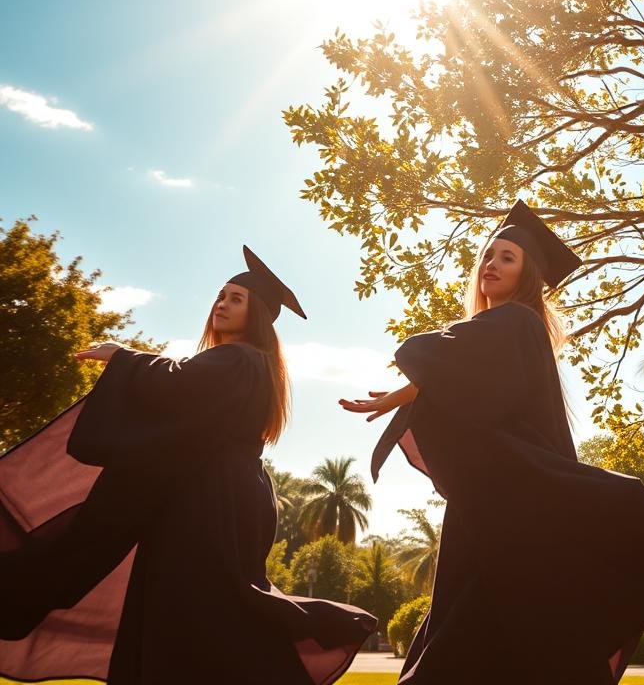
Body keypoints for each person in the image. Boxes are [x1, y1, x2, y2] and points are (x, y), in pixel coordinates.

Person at [342, 200, 644, 683]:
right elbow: (464, 381)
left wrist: (416, 384)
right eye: (488, 255)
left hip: (506, 511)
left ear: (529, 274)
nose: (491, 263)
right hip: (497, 509)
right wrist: (419, 388)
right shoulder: (503, 334)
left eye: (507, 257)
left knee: (470, 639)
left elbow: (445, 355)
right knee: (503, 637)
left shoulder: (516, 322)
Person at [0, 246, 375, 685]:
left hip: (209, 501)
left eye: (237, 298)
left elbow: (178, 385)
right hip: (222, 494)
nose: (222, 303)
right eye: (221, 295)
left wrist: (123, 356)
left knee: (189, 605)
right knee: (209, 606)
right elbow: (185, 394)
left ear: (256, 314)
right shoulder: (250, 365)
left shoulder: (239, 359)